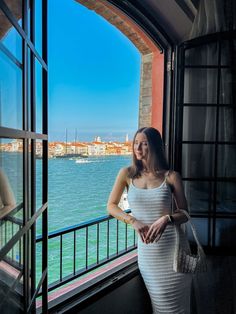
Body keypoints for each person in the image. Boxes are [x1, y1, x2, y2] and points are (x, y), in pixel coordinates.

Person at [107, 127, 192, 314]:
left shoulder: (171, 176)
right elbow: (111, 206)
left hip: (174, 252)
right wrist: (133, 221)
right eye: (136, 143)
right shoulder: (126, 174)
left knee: (178, 308)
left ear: (155, 146)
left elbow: (185, 213)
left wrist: (166, 219)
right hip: (149, 255)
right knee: (159, 305)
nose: (138, 147)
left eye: (144, 143)